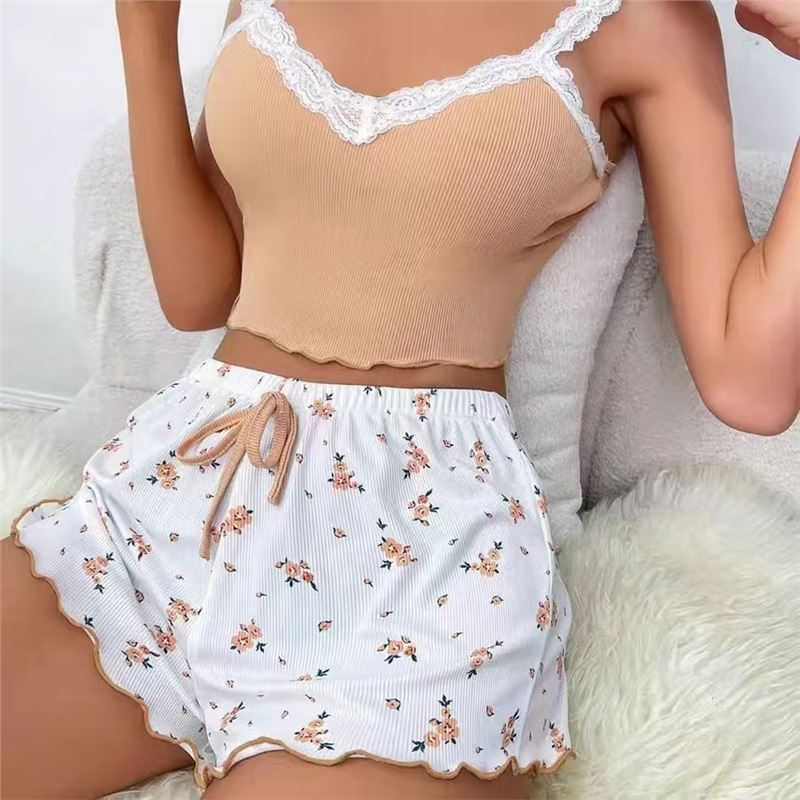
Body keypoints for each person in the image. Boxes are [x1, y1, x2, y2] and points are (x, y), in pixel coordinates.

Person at [2, 1, 798, 798]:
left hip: (418, 558)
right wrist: (145, 31)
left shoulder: (644, 23)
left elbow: (751, 384)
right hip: (186, 492)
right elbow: (199, 292)